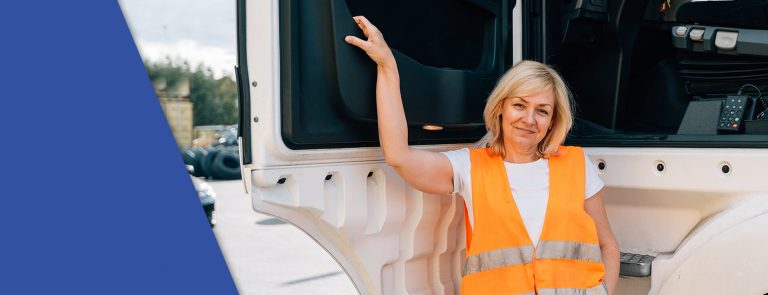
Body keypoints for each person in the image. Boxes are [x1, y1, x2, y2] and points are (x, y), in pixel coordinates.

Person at [345, 15, 619, 295]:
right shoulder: (470, 167)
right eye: (520, 105)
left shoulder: (577, 164)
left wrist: (605, 291)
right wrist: (388, 68)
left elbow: (607, 244)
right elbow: (398, 156)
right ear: (501, 107)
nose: (529, 119)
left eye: (542, 111)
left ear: (552, 121)